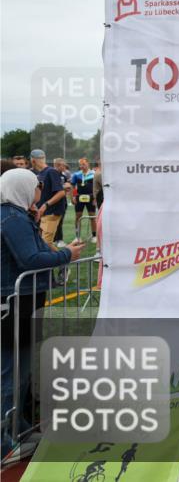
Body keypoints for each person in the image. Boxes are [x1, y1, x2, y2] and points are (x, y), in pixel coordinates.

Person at [2, 169, 84, 456]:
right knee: (11, 371)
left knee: (20, 369)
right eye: (36, 188)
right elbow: (30, 259)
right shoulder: (11, 218)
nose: (40, 193)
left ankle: (19, 428)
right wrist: (66, 255)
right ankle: (6, 440)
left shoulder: (17, 215)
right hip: (13, 302)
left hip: (20, 300)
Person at [29, 149, 66, 247]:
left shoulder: (51, 172)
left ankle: (63, 259)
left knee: (46, 244)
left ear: (32, 161)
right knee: (42, 244)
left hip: (51, 212)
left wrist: (45, 205)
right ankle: (60, 261)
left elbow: (61, 192)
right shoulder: (40, 173)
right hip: (42, 212)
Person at [71, 158, 97, 242]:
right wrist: (73, 197)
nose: (82, 166)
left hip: (91, 197)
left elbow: (97, 187)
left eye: (84, 164)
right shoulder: (76, 174)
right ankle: (77, 237)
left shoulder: (94, 174)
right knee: (78, 217)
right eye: (80, 164)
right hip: (79, 197)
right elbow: (72, 186)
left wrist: (95, 198)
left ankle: (94, 236)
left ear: (88, 164)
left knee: (92, 216)